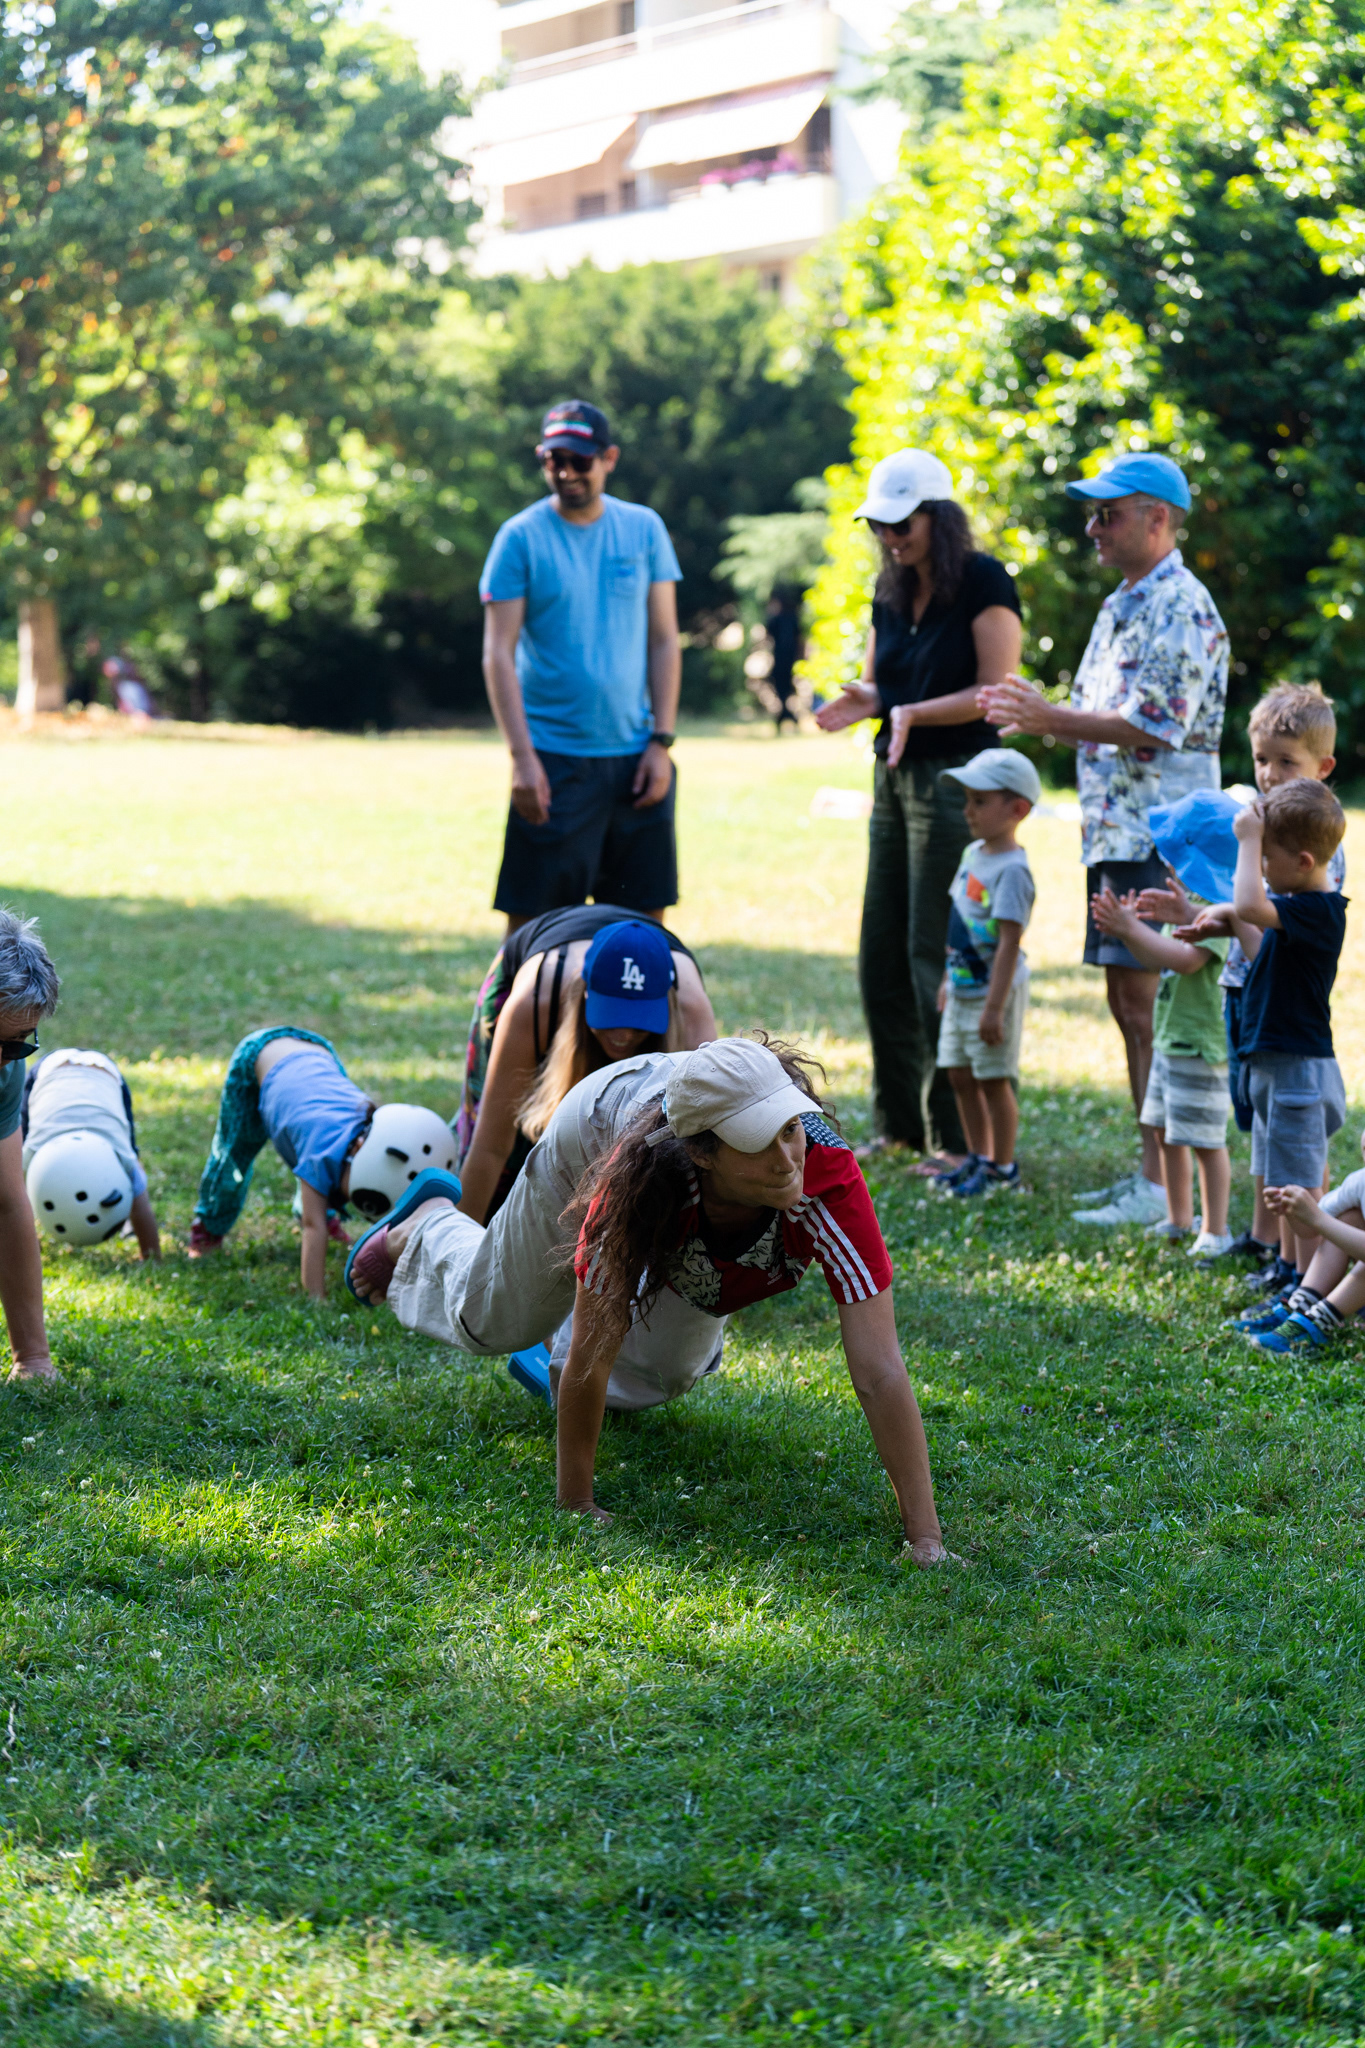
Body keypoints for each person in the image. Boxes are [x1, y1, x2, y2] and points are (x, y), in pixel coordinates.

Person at [345, 1037, 947, 1565]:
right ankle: (425, 1225)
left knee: (668, 1371)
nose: (788, 1159)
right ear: (704, 1153)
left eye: (790, 1129)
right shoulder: (636, 1183)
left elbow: (878, 1366)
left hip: (696, 1125)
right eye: (759, 1142)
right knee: (495, 1322)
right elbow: (594, 1348)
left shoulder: (824, 1173)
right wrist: (577, 1502)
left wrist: (925, 1538)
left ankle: (547, 1361)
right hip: (597, 1128)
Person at [980, 453, 1228, 1228]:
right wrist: (1046, 711)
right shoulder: (1123, 602)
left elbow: (1151, 726)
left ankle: (1166, 1187)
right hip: (1118, 829)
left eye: (1106, 514)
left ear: (1157, 517)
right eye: (1091, 514)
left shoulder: (1181, 605)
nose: (1091, 528)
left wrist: (1045, 717)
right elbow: (1104, 711)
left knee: (1147, 1000)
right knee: (1127, 1001)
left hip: (1164, 835)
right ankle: (1153, 1174)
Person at [814, 450, 1023, 1170]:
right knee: (880, 955)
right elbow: (882, 687)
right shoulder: (890, 588)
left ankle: (955, 1135)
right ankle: (898, 1124)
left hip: (955, 781)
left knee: (934, 950)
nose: (890, 538)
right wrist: (861, 703)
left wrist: (907, 711)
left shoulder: (986, 583)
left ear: (939, 517)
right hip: (893, 776)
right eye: (879, 526)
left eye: (901, 525)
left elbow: (996, 690)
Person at [479, 400, 683, 933]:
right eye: (554, 460)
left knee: (641, 935)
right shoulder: (519, 538)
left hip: (637, 760)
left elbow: (664, 641)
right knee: (533, 934)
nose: (566, 472)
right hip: (553, 762)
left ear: (609, 458)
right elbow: (497, 652)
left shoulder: (644, 530)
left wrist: (661, 743)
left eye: (579, 460)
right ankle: (509, 1019)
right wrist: (522, 759)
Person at [455, 908, 717, 1224]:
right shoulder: (533, 1003)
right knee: (505, 1160)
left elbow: (708, 1155)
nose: (623, 1036)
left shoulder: (690, 1014)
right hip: (537, 960)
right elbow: (490, 1148)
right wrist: (463, 1243)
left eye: (638, 1023)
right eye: (610, 1019)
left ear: (665, 1006)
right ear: (584, 995)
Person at [1211, 780, 1348, 1330]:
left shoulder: (1319, 908)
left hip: (1299, 1074)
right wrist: (1218, 915)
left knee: (1300, 1189)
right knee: (1279, 1185)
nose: (1261, 868)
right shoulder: (1296, 905)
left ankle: (1311, 1295)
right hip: (1276, 1068)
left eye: (1267, 858)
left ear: (1305, 860)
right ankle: (1294, 1275)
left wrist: (1247, 835)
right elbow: (1249, 922)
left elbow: (1250, 902)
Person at [188, 1027, 455, 1300]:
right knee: (234, 1154)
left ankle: (326, 1209)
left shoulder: (370, 1129)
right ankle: (207, 1228)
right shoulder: (320, 1154)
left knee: (317, 1172)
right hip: (259, 1056)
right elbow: (311, 1226)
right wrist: (317, 1298)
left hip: (318, 1053)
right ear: (359, 1151)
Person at [1083, 889, 1232, 1259]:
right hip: (1170, 1038)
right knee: (1165, 1132)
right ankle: (1179, 1218)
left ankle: (1215, 1231)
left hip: (1199, 1044)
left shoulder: (1217, 909)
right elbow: (1154, 960)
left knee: (1205, 1143)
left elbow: (1186, 961)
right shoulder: (1189, 901)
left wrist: (1132, 928)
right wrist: (1128, 932)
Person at [932, 748, 1039, 1198]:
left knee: (993, 1079)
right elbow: (959, 920)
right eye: (967, 800)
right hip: (961, 988)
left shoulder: (1013, 871)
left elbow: (1010, 943)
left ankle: (1002, 1168)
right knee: (959, 1074)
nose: (968, 810)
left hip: (993, 994)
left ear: (1017, 810)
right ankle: (978, 1157)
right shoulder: (973, 853)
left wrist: (994, 1008)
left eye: (979, 801)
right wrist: (946, 979)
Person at [22, 1048, 161, 1259]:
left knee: (131, 1164)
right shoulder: (31, 1152)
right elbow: (141, 1199)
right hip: (83, 1071)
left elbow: (9, 1195)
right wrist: (152, 1256)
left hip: (92, 1075)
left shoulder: (120, 1156)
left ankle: (28, 1242)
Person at [0, 909, 61, 1382]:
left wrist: (33, 1358)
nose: (5, 1059)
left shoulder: (6, 1066)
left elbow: (6, 1202)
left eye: (19, 1043)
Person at [1245, 1141, 1365, 1354]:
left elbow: (1320, 1222)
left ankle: (1315, 1324)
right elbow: (1311, 1230)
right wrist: (1292, 1210)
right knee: (1348, 1218)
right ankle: (1298, 1308)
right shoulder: (1360, 1182)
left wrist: (1318, 1220)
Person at [766, 589, 802, 733]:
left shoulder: (786, 619)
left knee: (785, 689)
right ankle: (786, 715)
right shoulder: (783, 619)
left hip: (786, 660)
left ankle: (785, 715)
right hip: (784, 660)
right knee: (782, 689)